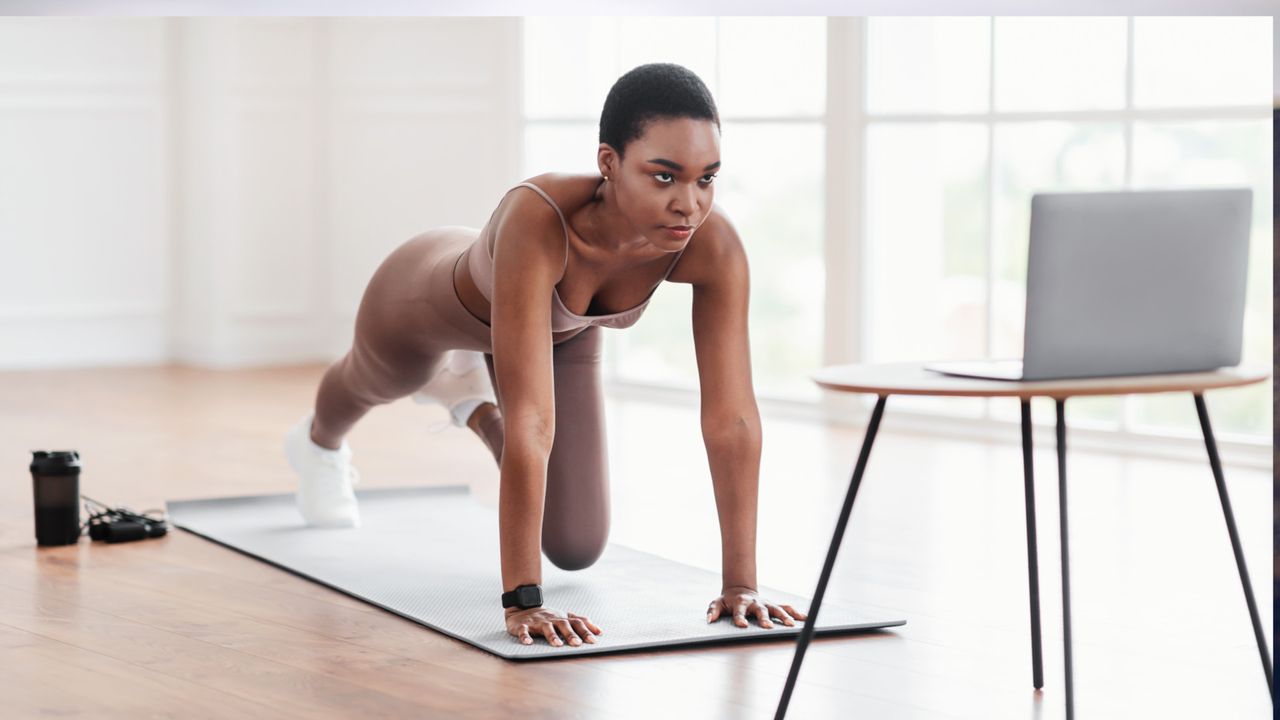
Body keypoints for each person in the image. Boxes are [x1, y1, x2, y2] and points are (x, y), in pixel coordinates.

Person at [284, 62, 806, 648]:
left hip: (565, 336)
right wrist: (523, 601)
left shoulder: (712, 244)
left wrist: (742, 585)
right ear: (609, 163)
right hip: (423, 299)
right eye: (664, 177)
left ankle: (471, 405)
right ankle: (317, 445)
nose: (689, 203)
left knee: (576, 545)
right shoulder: (539, 216)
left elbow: (732, 418)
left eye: (706, 178)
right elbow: (533, 420)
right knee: (373, 380)